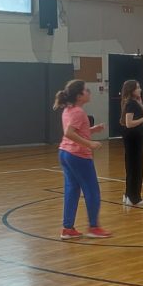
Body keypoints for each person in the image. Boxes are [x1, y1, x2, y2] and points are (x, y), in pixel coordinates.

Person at [54, 80, 111, 239]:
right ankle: (94, 228)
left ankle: (68, 229)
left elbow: (77, 131)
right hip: (78, 155)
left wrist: (92, 130)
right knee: (92, 191)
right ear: (79, 96)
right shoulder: (78, 112)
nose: (89, 92)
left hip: (65, 153)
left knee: (71, 190)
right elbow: (69, 133)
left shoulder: (68, 109)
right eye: (86, 90)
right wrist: (89, 144)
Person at [119, 79, 143, 207]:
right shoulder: (131, 104)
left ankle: (128, 195)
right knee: (136, 168)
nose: (140, 89)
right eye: (137, 88)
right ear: (132, 90)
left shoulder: (132, 102)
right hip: (133, 138)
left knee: (132, 167)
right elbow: (129, 123)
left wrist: (141, 104)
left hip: (133, 137)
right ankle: (134, 198)